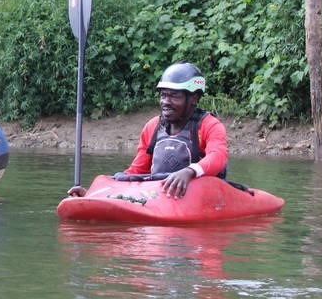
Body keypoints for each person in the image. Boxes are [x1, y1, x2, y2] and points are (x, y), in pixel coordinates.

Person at [67, 62, 227, 199]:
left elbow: (218, 157)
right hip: (158, 197)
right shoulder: (153, 126)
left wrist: (189, 171)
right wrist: (95, 196)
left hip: (198, 196)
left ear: (194, 98)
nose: (166, 102)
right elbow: (136, 171)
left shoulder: (209, 125)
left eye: (173, 96)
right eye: (163, 96)